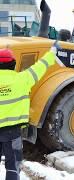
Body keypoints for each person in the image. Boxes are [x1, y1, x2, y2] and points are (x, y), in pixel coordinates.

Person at [0, 42, 60, 180]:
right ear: (13, 64)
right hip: (12, 132)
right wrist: (52, 51)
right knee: (13, 167)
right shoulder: (23, 79)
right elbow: (41, 66)